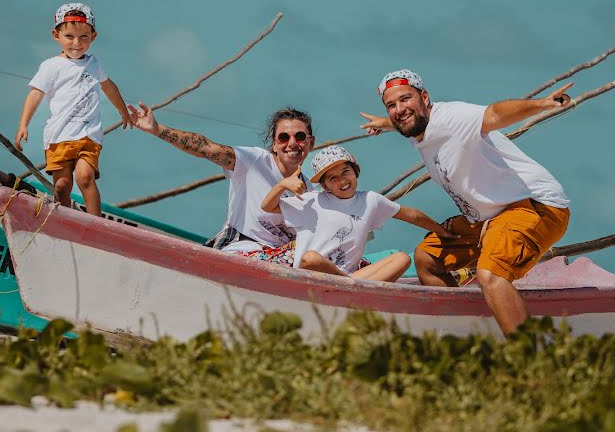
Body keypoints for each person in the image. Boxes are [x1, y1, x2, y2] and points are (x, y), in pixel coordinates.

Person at [360, 69, 572, 335]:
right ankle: (466, 332)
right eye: (392, 105)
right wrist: (385, 121)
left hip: (536, 206)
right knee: (427, 258)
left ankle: (530, 363)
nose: (400, 109)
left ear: (425, 97)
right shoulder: (420, 128)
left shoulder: (451, 117)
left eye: (406, 99)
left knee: (490, 275)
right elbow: (408, 120)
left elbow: (494, 114)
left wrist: (542, 104)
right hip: (490, 217)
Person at [128, 103, 314, 259]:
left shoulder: (309, 190)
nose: (292, 143)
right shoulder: (254, 160)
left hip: (279, 259)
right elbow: (206, 148)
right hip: (242, 249)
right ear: (274, 144)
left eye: (299, 136)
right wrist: (157, 129)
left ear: (310, 143)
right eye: (283, 137)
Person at [261, 145, 451, 282]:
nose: (342, 180)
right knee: (310, 258)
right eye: (333, 178)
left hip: (351, 277)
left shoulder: (370, 200)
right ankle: (351, 286)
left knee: (402, 258)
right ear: (325, 185)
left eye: (346, 172)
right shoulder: (313, 200)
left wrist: (442, 232)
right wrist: (281, 185)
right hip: (311, 276)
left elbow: (410, 214)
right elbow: (268, 206)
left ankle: (350, 286)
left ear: (355, 172)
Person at [15, 2, 131, 217]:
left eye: (83, 37)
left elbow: (108, 86)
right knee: (62, 186)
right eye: (69, 37)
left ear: (93, 37)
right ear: (56, 35)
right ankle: (63, 222)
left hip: (89, 134)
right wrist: (24, 124)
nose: (76, 44)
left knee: (85, 178)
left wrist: (123, 111)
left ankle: (96, 225)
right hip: (58, 136)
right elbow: (35, 94)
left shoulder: (94, 64)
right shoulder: (51, 66)